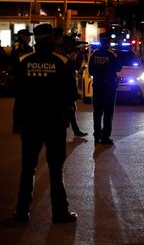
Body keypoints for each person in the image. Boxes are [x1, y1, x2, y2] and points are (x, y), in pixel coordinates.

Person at [13, 23, 78, 223]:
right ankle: (60, 213)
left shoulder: (24, 61)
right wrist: (66, 118)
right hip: (54, 122)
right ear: (52, 39)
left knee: (28, 169)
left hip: (31, 122)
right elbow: (71, 95)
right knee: (55, 169)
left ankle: (22, 213)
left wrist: (17, 122)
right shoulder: (62, 62)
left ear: (35, 40)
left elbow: (19, 94)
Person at [53, 28, 88, 137]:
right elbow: (74, 67)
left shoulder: (58, 50)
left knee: (70, 108)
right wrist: (77, 55)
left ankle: (75, 129)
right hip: (64, 85)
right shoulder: (60, 52)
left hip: (62, 84)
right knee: (68, 108)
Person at [88, 32, 122, 145]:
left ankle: (97, 135)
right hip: (109, 87)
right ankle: (105, 137)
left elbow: (90, 71)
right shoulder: (112, 54)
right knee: (108, 113)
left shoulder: (94, 54)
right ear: (107, 42)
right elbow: (118, 68)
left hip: (97, 86)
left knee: (97, 113)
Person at [11, 29, 34, 133]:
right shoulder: (19, 47)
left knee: (24, 103)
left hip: (24, 79)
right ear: (22, 37)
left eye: (29, 36)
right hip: (21, 79)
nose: (29, 38)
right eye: (27, 36)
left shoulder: (26, 47)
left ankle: (22, 125)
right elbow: (17, 63)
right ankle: (17, 126)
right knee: (20, 103)